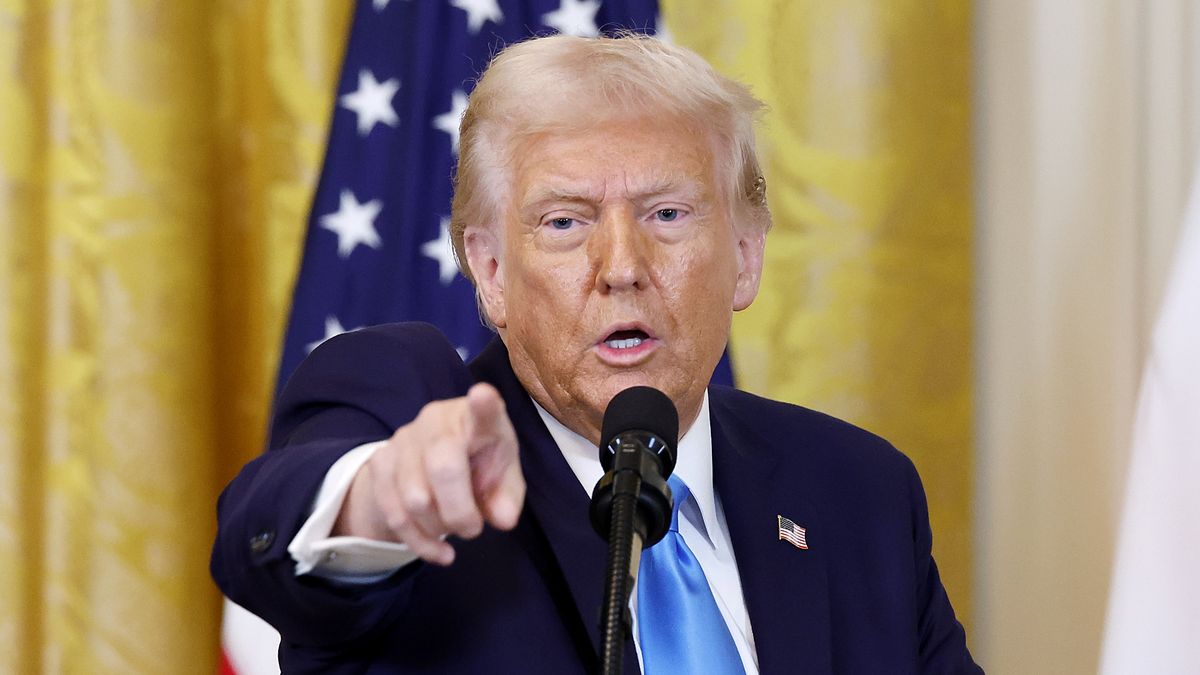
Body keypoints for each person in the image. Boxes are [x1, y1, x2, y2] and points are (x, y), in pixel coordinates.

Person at [211, 33, 981, 674]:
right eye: (564, 223)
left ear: (745, 256)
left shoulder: (858, 492)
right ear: (488, 270)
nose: (621, 265)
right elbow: (266, 533)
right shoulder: (410, 406)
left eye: (668, 213)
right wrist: (380, 500)